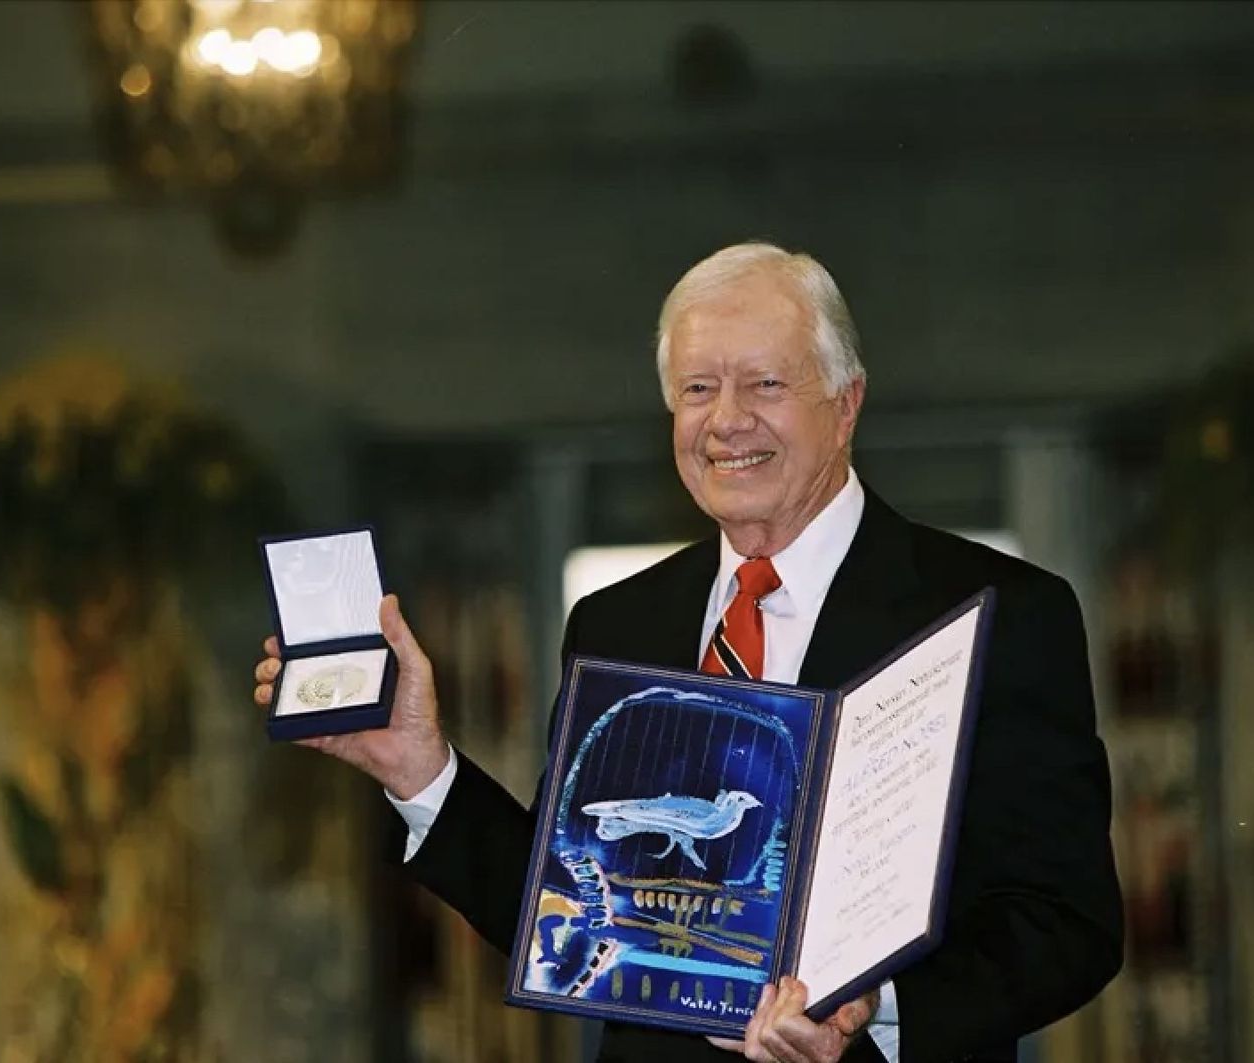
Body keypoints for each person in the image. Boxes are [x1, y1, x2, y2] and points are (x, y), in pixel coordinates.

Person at [255, 243, 1123, 1063]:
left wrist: (877, 1006)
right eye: (698, 388)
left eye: (766, 383)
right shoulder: (617, 622)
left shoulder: (997, 612)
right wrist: (420, 768)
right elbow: (576, 904)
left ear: (847, 402)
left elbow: (1065, 921)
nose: (728, 420)